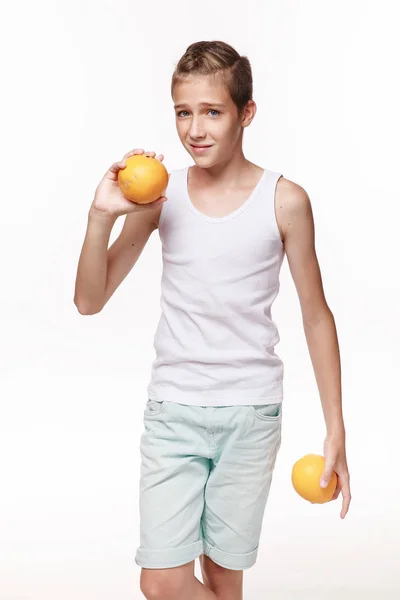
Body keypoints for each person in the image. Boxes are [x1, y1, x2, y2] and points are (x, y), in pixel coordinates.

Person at [74, 40, 351, 600]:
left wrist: (335, 427)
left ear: (246, 114)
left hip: (250, 413)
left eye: (212, 112)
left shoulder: (285, 199)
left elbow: (316, 316)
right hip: (174, 411)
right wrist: (100, 216)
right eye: (183, 112)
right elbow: (89, 299)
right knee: (163, 581)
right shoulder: (160, 196)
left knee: (225, 581)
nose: (195, 129)